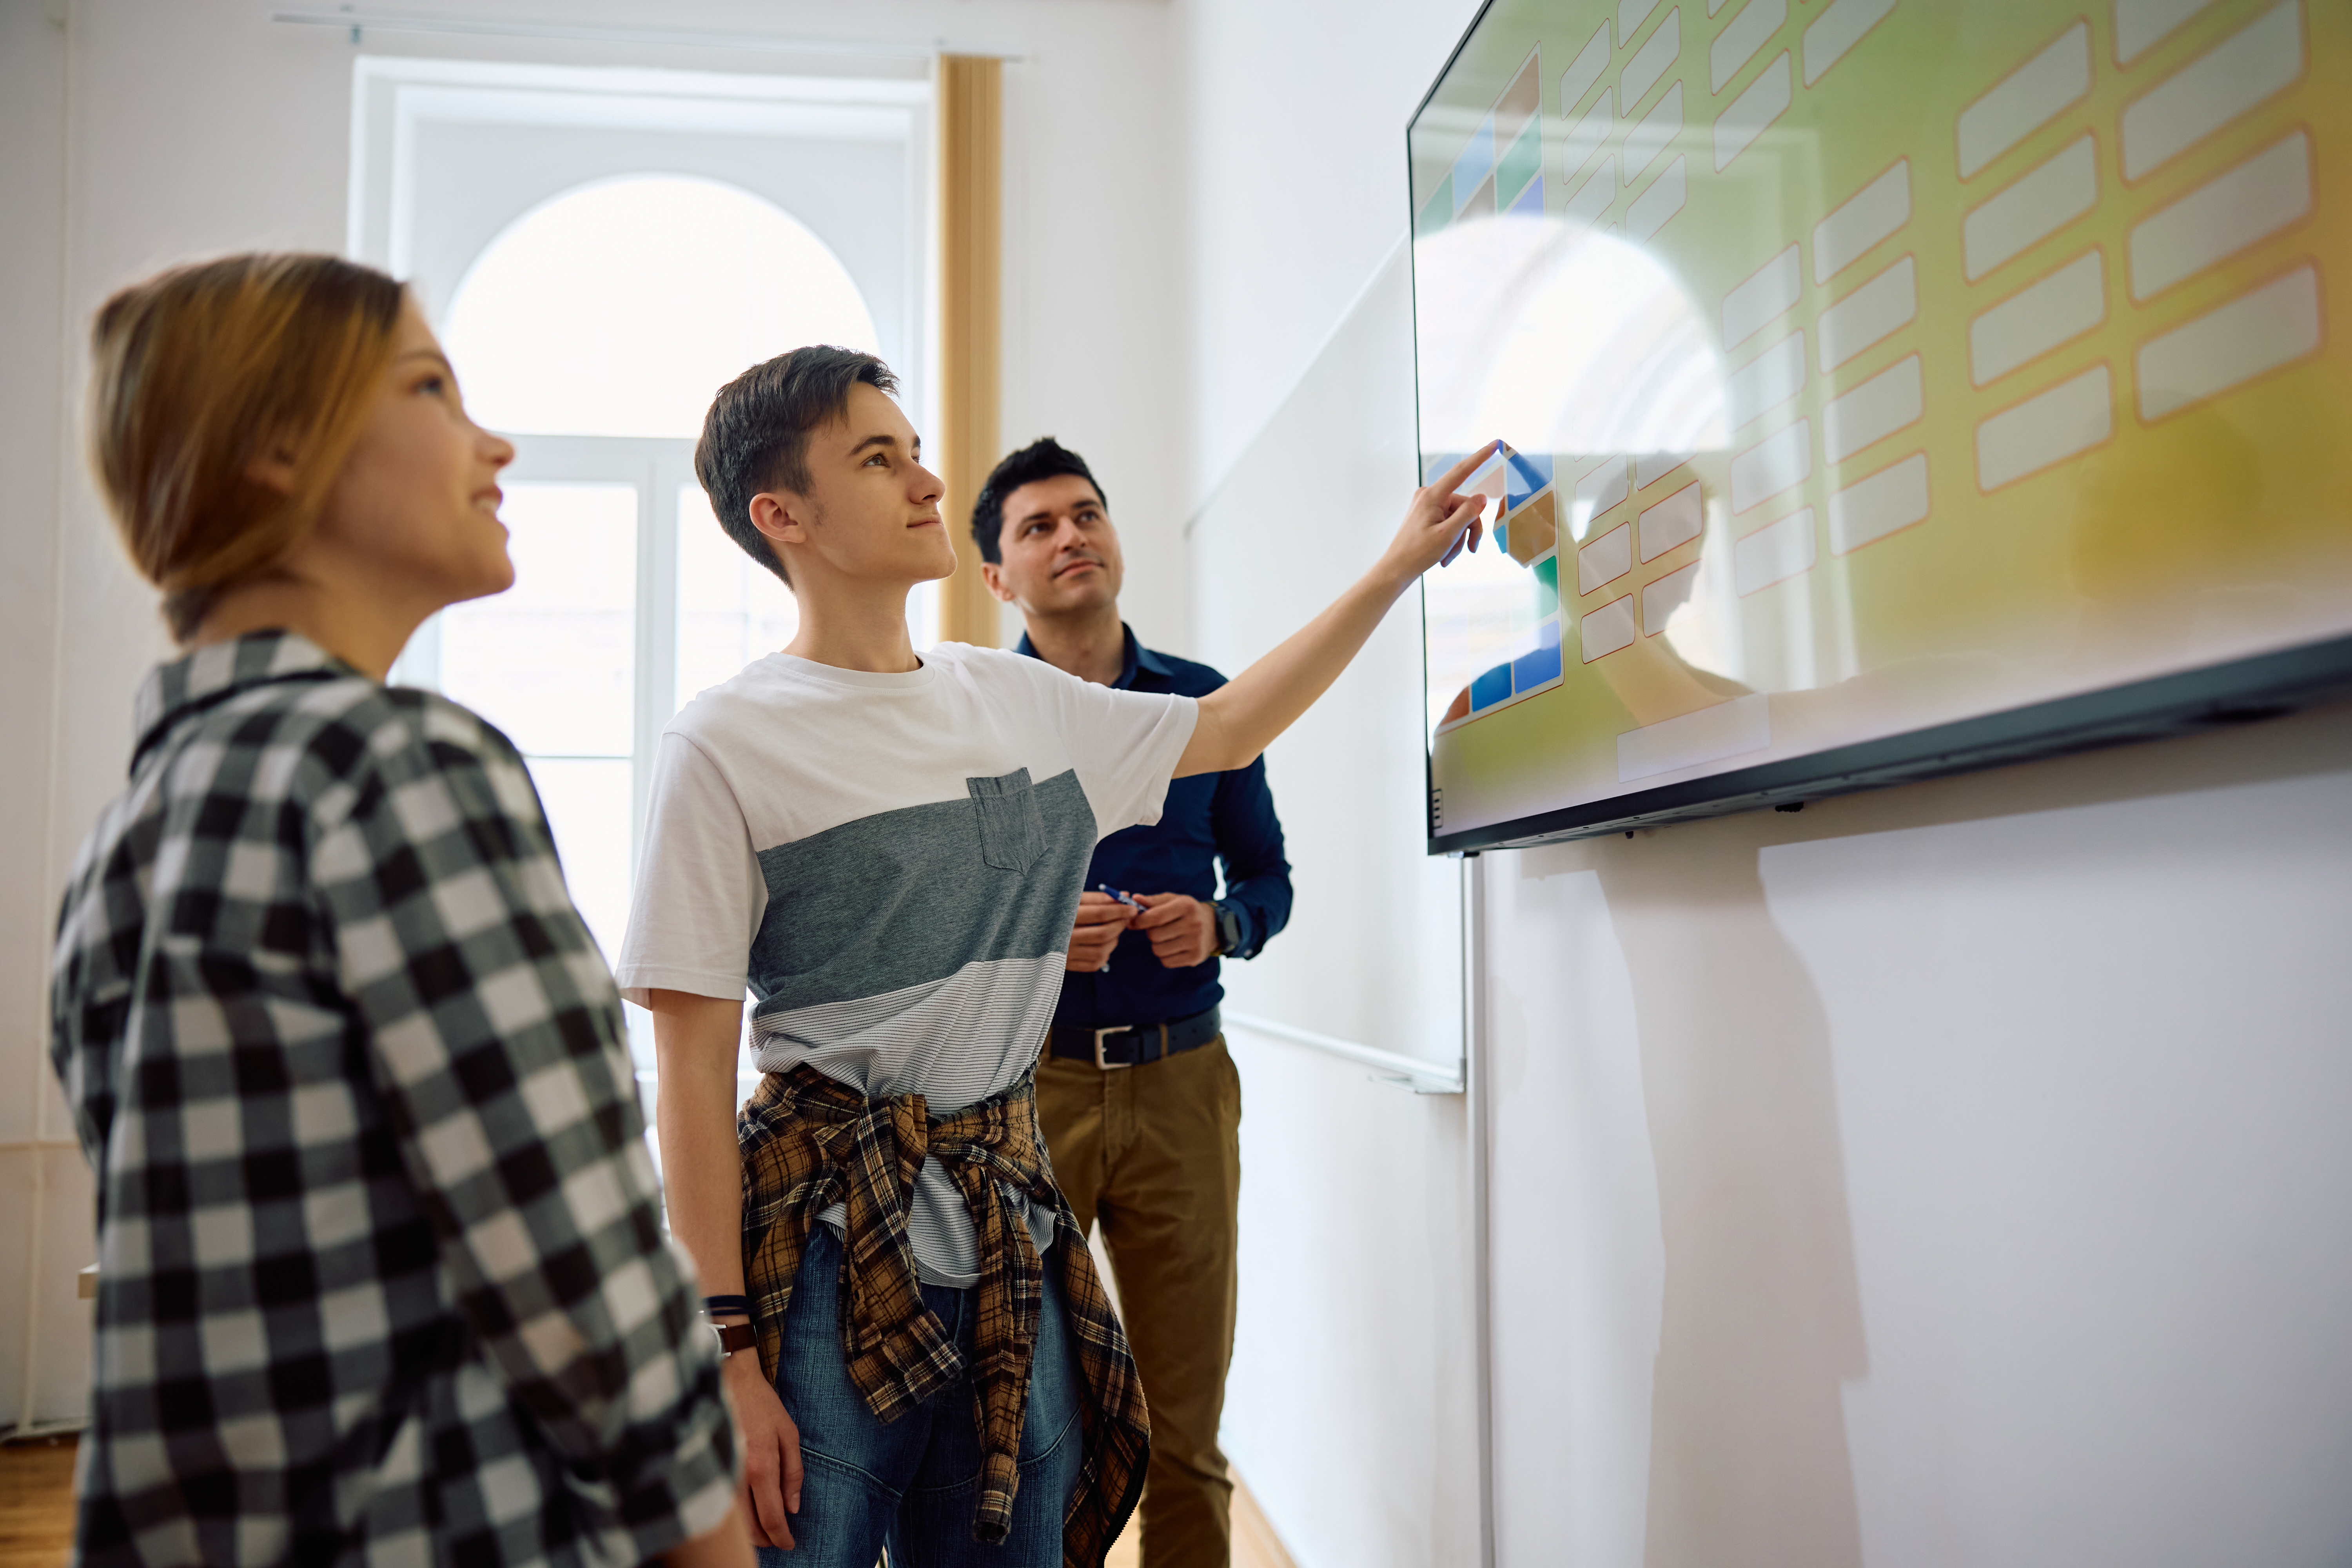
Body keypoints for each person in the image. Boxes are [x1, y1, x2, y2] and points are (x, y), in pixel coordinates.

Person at [621, 343, 1489, 1568]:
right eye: (877, 459)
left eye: (916, 453)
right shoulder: (722, 743)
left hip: (1004, 1225)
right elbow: (691, 1077)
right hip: (822, 1245)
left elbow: (1230, 723)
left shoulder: (1005, 696)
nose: (927, 481)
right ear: (783, 517)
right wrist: (724, 1352)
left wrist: (1395, 567)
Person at [49, 254, 750, 1568]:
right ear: (278, 446)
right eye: (431, 387)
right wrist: (712, 1544)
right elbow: (578, 1269)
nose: (496, 444)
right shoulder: (393, 769)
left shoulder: (121, 846)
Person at [973, 437, 1289, 1567]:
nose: (1072, 536)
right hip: (1028, 1093)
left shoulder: (1207, 706)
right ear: (997, 577)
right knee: (1027, 1432)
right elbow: (954, 923)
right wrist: (1037, 940)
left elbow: (1267, 876)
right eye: (1039, 526)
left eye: (1087, 513)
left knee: (1184, 1434)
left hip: (1182, 1086)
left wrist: (1224, 924)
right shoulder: (979, 716)